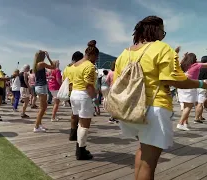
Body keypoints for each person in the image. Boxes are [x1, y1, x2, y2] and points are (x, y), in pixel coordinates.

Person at [113, 15, 207, 179]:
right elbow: (173, 80)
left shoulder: (124, 54)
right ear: (156, 31)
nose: (163, 37)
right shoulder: (162, 48)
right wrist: (201, 84)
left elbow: (117, 84)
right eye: (163, 33)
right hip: (153, 110)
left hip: (128, 111)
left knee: (143, 150)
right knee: (149, 162)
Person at [70, 40, 99, 160]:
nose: (96, 60)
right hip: (84, 95)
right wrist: (95, 101)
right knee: (84, 125)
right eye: (96, 57)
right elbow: (89, 85)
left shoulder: (75, 65)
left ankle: (80, 148)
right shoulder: (89, 66)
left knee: (79, 122)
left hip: (74, 94)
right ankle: (81, 151)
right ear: (92, 55)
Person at [177, 53, 207, 130]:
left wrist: (184, 57)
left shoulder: (183, 65)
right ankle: (180, 123)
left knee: (185, 106)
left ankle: (185, 123)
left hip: (181, 87)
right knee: (188, 106)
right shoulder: (196, 65)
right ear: (193, 59)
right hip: (190, 87)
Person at [63, 51, 84, 141]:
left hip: (70, 93)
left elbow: (64, 79)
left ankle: (72, 133)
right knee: (81, 114)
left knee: (74, 113)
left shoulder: (67, 68)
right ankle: (78, 133)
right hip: (79, 91)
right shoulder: (80, 67)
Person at [33, 50, 55, 132]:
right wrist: (49, 58)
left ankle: (39, 124)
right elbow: (53, 66)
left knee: (42, 107)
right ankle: (36, 126)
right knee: (43, 108)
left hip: (38, 86)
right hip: (42, 87)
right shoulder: (41, 63)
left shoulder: (35, 65)